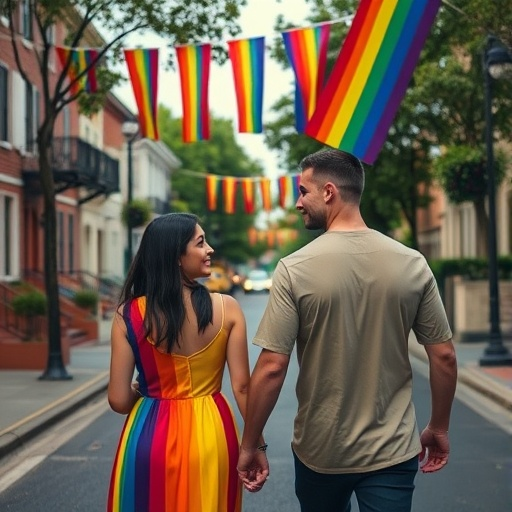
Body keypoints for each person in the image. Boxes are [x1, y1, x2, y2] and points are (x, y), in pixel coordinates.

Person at [237, 149, 457, 512]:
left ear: (328, 192)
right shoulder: (412, 263)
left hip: (321, 450)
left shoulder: (294, 269)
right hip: (393, 450)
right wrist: (439, 427)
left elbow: (272, 367)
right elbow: (445, 356)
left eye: (303, 192)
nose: (297, 203)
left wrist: (250, 447)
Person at [107, 213, 255, 512]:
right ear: (176, 256)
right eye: (201, 243)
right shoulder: (228, 309)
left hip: (148, 434)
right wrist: (256, 445)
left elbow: (119, 400)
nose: (210, 249)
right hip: (212, 434)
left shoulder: (129, 315)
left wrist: (141, 390)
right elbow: (242, 387)